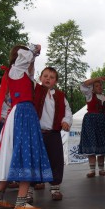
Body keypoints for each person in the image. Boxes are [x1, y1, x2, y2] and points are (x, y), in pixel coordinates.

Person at [0, 44, 53, 209]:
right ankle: (21, 202)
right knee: (26, 151)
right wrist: (33, 48)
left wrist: (34, 55)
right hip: (23, 113)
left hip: (21, 113)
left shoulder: (20, 73)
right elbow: (24, 56)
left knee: (13, 153)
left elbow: (29, 67)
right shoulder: (16, 69)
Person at [30, 67, 72, 201]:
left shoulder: (60, 95)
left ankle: (55, 188)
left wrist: (65, 121)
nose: (48, 78)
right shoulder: (34, 89)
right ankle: (28, 190)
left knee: (56, 160)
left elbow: (68, 111)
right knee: (34, 160)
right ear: (40, 78)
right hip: (36, 133)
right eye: (45, 76)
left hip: (53, 133)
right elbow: (29, 74)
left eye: (52, 77)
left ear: (56, 81)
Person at [78, 76, 105, 177]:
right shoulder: (90, 95)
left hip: (103, 122)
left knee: (102, 144)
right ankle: (92, 170)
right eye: (96, 86)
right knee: (92, 144)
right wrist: (96, 78)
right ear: (93, 88)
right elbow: (83, 85)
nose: (99, 87)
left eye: (100, 85)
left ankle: (102, 169)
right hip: (91, 121)